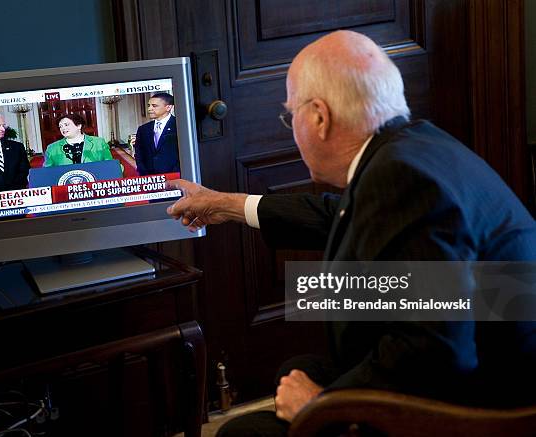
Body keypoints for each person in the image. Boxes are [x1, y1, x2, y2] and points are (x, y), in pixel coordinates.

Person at [166, 30, 536, 436]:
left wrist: (323, 406)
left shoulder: (399, 177)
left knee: (241, 432)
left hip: (482, 409)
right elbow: (338, 215)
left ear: (320, 118)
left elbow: (435, 352)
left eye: (291, 116)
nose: (292, 127)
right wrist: (224, 204)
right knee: (295, 370)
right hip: (490, 369)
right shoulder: (415, 145)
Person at [134, 92, 179, 176]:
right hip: (149, 179)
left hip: (174, 177)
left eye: (154, 106)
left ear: (168, 107)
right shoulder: (143, 129)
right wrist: (144, 173)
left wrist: (175, 174)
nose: (149, 109)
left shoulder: (179, 126)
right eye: (148, 106)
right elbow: (139, 154)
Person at [43, 113, 113, 167]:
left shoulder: (99, 142)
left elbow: (110, 164)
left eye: (66, 125)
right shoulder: (52, 148)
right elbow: (47, 173)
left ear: (79, 126)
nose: (63, 128)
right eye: (60, 126)